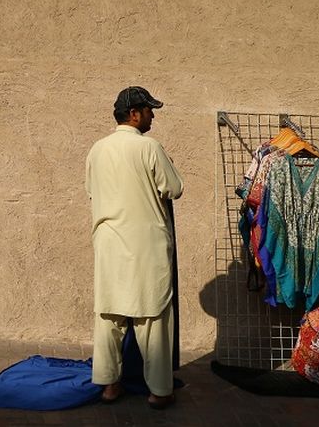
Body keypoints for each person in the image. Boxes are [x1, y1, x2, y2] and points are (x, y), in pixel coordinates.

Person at [85, 86, 184, 409]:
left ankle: (109, 386)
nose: (153, 116)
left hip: (109, 243)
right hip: (146, 245)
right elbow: (173, 188)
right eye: (149, 110)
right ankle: (159, 391)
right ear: (134, 114)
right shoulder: (149, 147)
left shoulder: (97, 150)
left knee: (109, 315)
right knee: (151, 318)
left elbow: (91, 191)